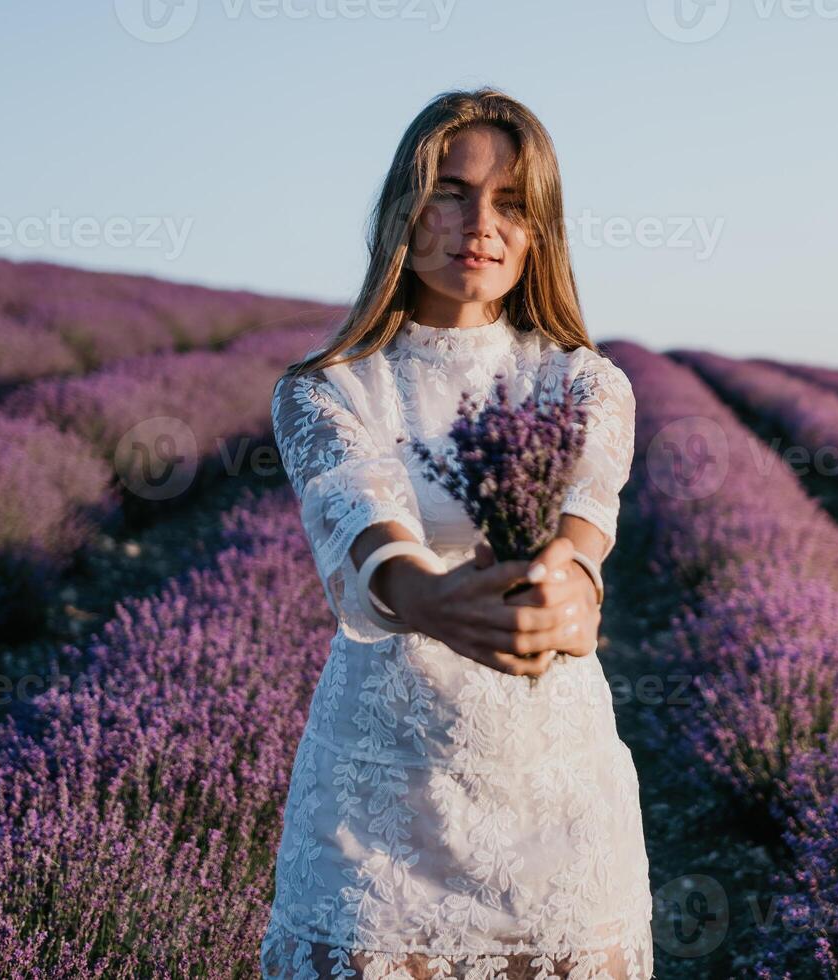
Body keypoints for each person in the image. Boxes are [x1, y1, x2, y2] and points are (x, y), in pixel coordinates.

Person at [261, 86, 652, 980]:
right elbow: (366, 529)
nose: (480, 221)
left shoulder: (587, 383)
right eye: (451, 190)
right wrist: (430, 598)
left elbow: (584, 532)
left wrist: (569, 595)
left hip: (553, 781)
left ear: (540, 230)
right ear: (406, 207)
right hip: (380, 789)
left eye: (511, 203)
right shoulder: (329, 388)